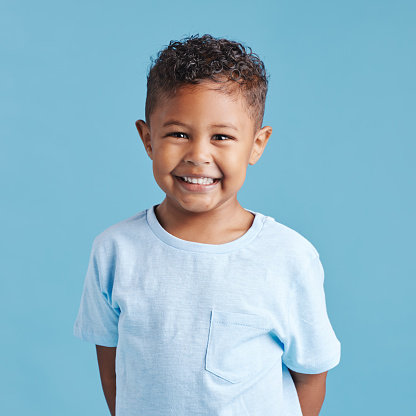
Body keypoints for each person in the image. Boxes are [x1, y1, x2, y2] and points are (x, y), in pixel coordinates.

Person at [73, 34, 341, 416]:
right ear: (148, 138)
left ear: (256, 145)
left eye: (222, 137)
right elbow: (112, 369)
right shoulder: (114, 251)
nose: (198, 155)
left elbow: (311, 377)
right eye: (178, 134)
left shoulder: (289, 257)